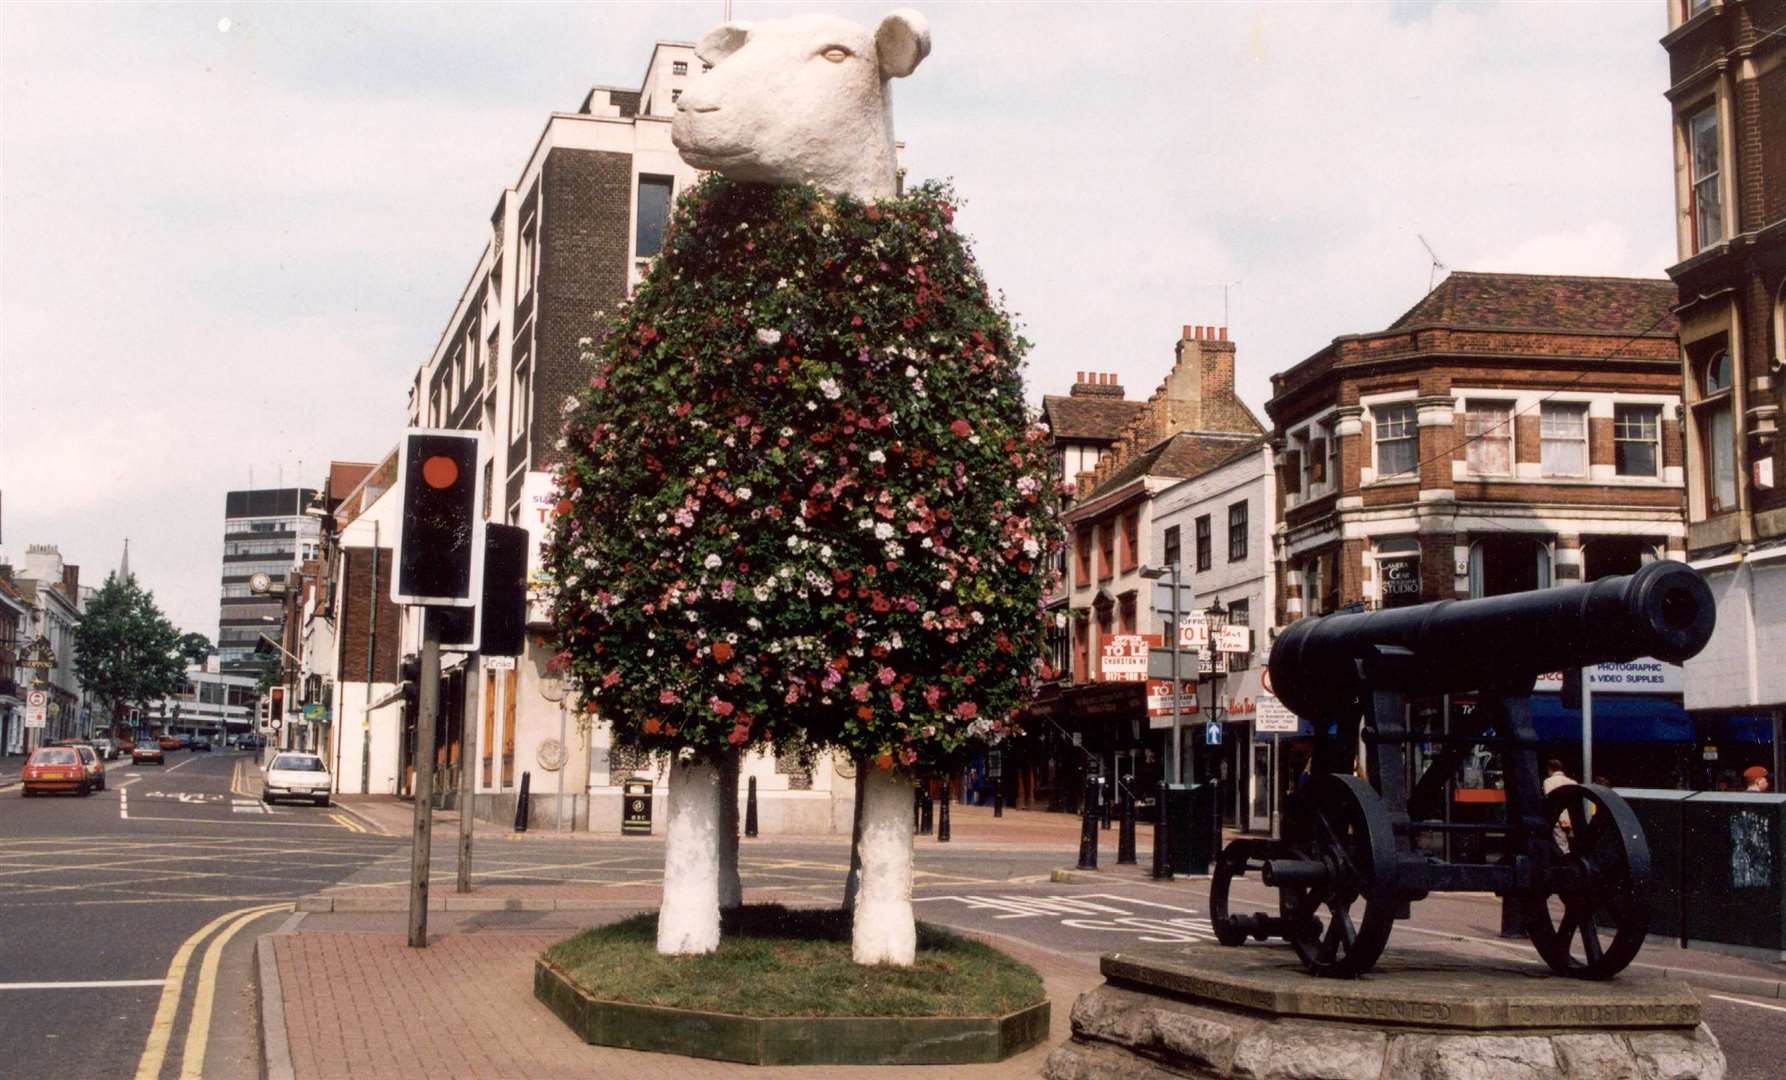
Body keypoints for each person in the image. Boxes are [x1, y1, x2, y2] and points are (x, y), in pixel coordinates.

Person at [1543, 759, 1576, 853]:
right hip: (1572, 818)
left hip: (1558, 817)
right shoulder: (1572, 782)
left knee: (1563, 846)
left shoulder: (1548, 782)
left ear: (1549, 769)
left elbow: (1551, 800)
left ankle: (1567, 864)